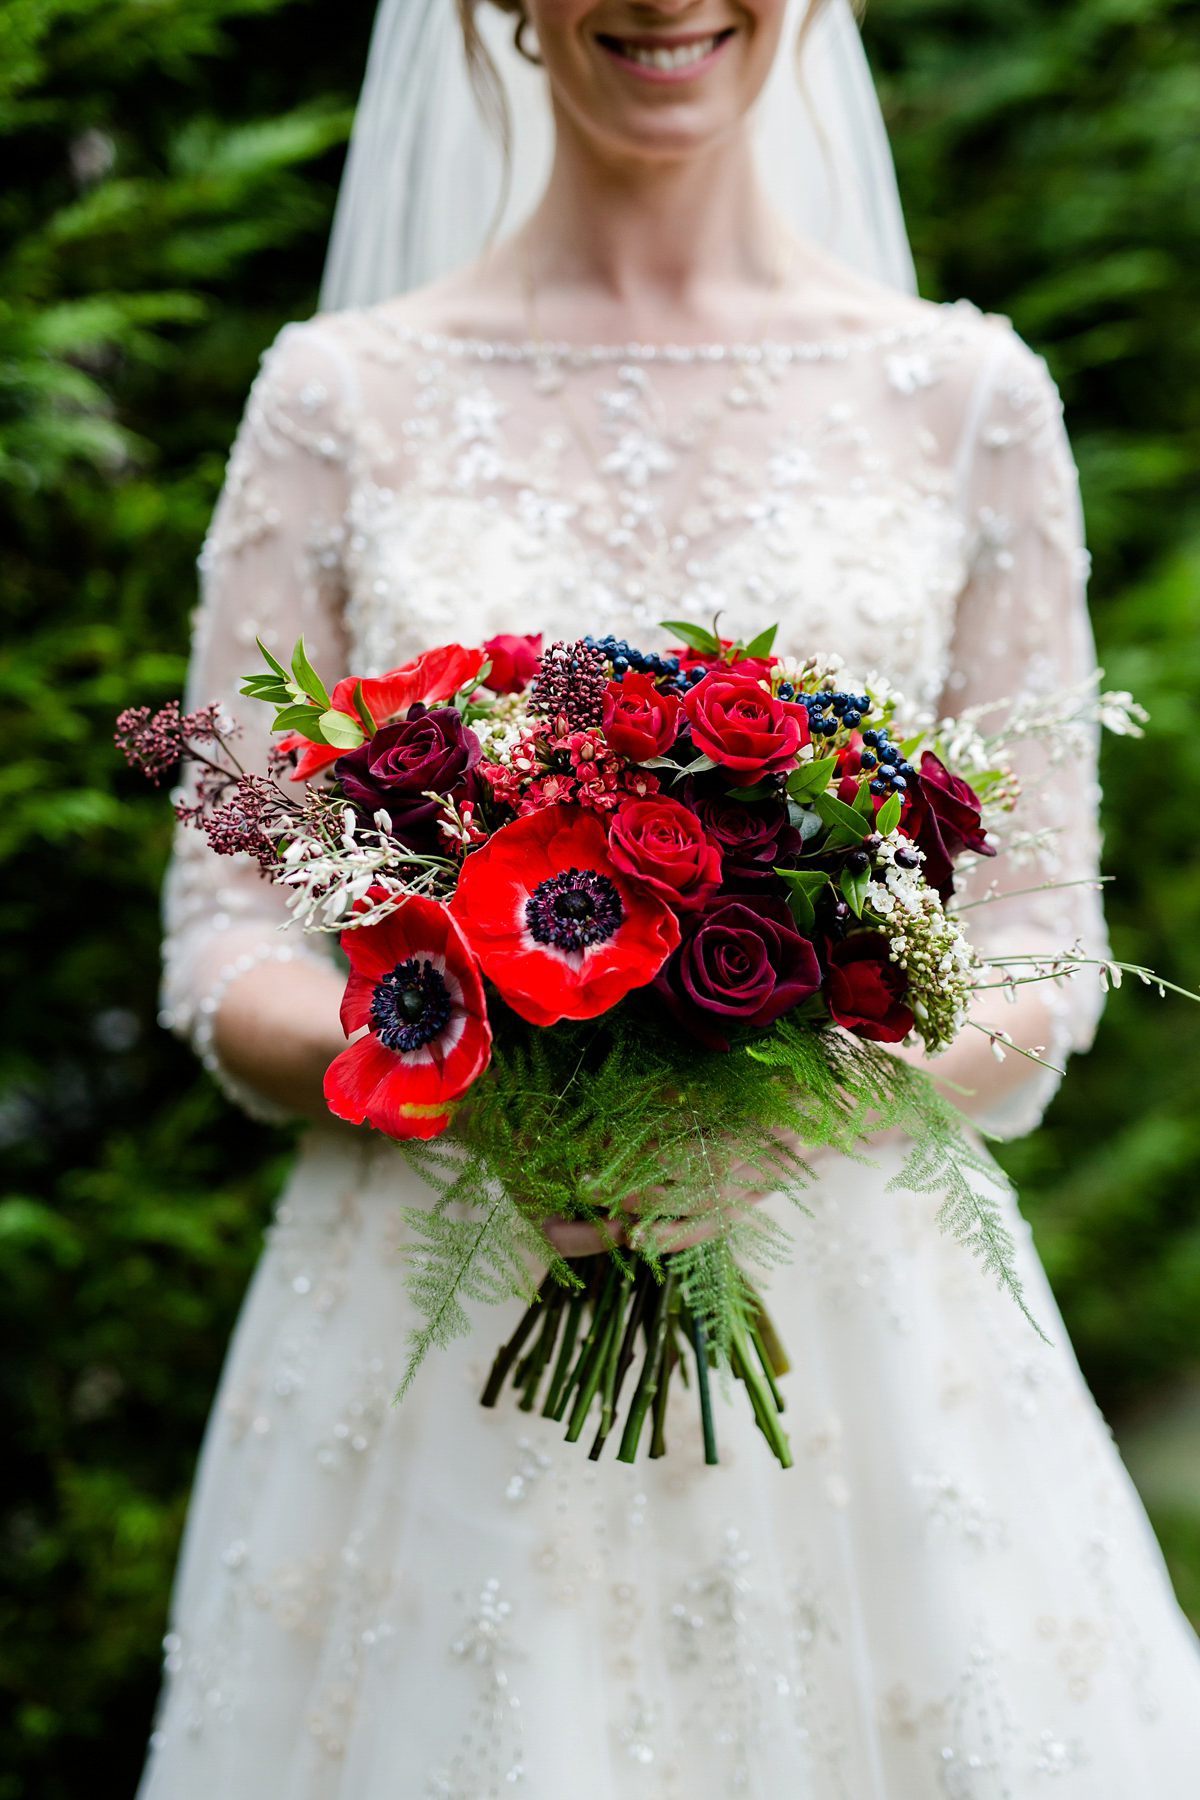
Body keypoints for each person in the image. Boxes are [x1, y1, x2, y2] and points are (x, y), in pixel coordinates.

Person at [140, 0, 1200, 1791]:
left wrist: (777, 1104)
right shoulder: (338, 394)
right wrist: (495, 1083)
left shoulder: (964, 397)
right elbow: (223, 931)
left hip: (855, 1328)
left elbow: (1037, 942)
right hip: (437, 1315)